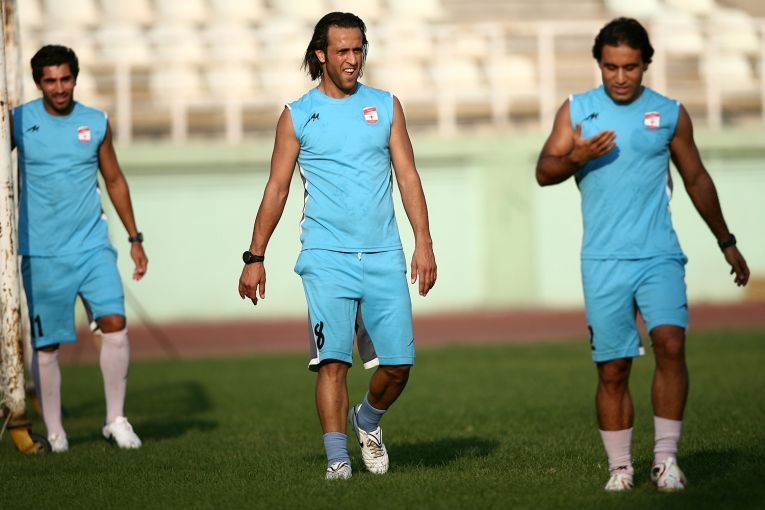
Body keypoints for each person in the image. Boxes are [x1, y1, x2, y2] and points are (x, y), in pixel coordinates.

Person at [535, 18, 749, 492]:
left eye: (630, 67)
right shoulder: (576, 110)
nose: (620, 77)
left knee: (671, 343)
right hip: (603, 260)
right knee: (613, 367)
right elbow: (544, 171)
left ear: (646, 65)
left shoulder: (670, 114)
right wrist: (576, 157)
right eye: (611, 67)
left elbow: (696, 179)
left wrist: (726, 241)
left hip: (659, 255)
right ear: (599, 64)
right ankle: (620, 469)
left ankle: (665, 461)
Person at [238, 12, 436, 480]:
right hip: (325, 257)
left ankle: (367, 419)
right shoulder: (296, 114)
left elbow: (408, 177)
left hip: (384, 254)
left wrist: (423, 242)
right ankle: (338, 461)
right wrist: (255, 256)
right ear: (321, 55)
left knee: (399, 366)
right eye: (342, 51)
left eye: (358, 49)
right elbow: (277, 189)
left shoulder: (386, 106)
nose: (352, 59)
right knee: (332, 362)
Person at [12, 45, 148, 452]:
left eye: (65, 79)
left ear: (74, 78)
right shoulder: (17, 121)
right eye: (51, 80)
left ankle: (115, 419)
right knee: (47, 344)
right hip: (42, 252)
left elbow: (115, 179)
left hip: (92, 246)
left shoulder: (94, 121)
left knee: (115, 324)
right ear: (38, 83)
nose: (59, 88)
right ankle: (55, 433)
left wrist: (135, 239)